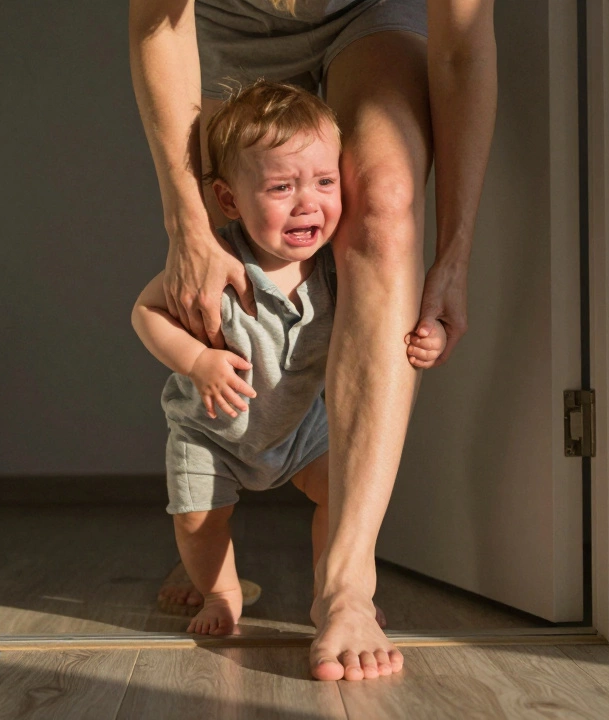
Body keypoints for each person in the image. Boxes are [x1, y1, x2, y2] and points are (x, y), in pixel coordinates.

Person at [129, 0, 497, 681]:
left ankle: (347, 583)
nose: (311, 199)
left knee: (382, 199)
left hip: (368, 14)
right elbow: (160, 24)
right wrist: (188, 229)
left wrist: (454, 255)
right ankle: (212, 569)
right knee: (229, 234)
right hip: (225, 21)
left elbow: (460, 50)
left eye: (322, 185)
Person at [132, 80, 446, 637]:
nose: (308, 202)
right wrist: (196, 361)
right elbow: (146, 311)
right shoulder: (219, 259)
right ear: (230, 200)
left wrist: (431, 333)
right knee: (200, 520)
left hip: (302, 431)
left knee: (342, 494)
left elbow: (382, 321)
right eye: (282, 186)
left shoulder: (338, 267)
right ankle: (220, 594)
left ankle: (335, 589)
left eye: (325, 181)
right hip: (212, 434)